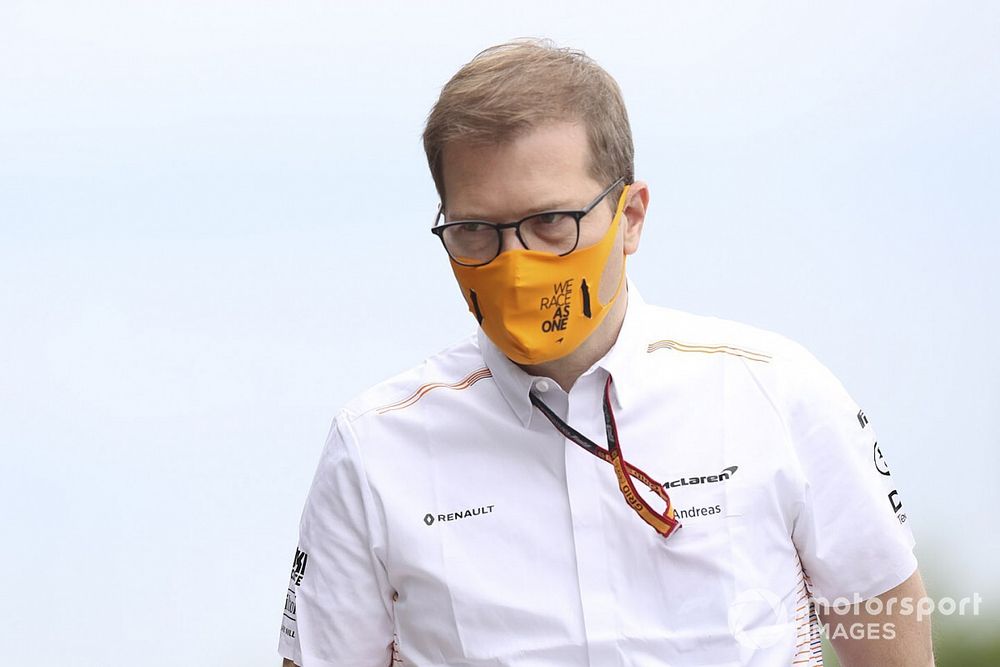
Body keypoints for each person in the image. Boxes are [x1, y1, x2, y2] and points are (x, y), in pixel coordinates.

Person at [278, 39, 934, 667]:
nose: (514, 261)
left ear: (632, 218)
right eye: (475, 230)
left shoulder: (774, 395)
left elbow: (887, 622)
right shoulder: (375, 447)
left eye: (550, 223)